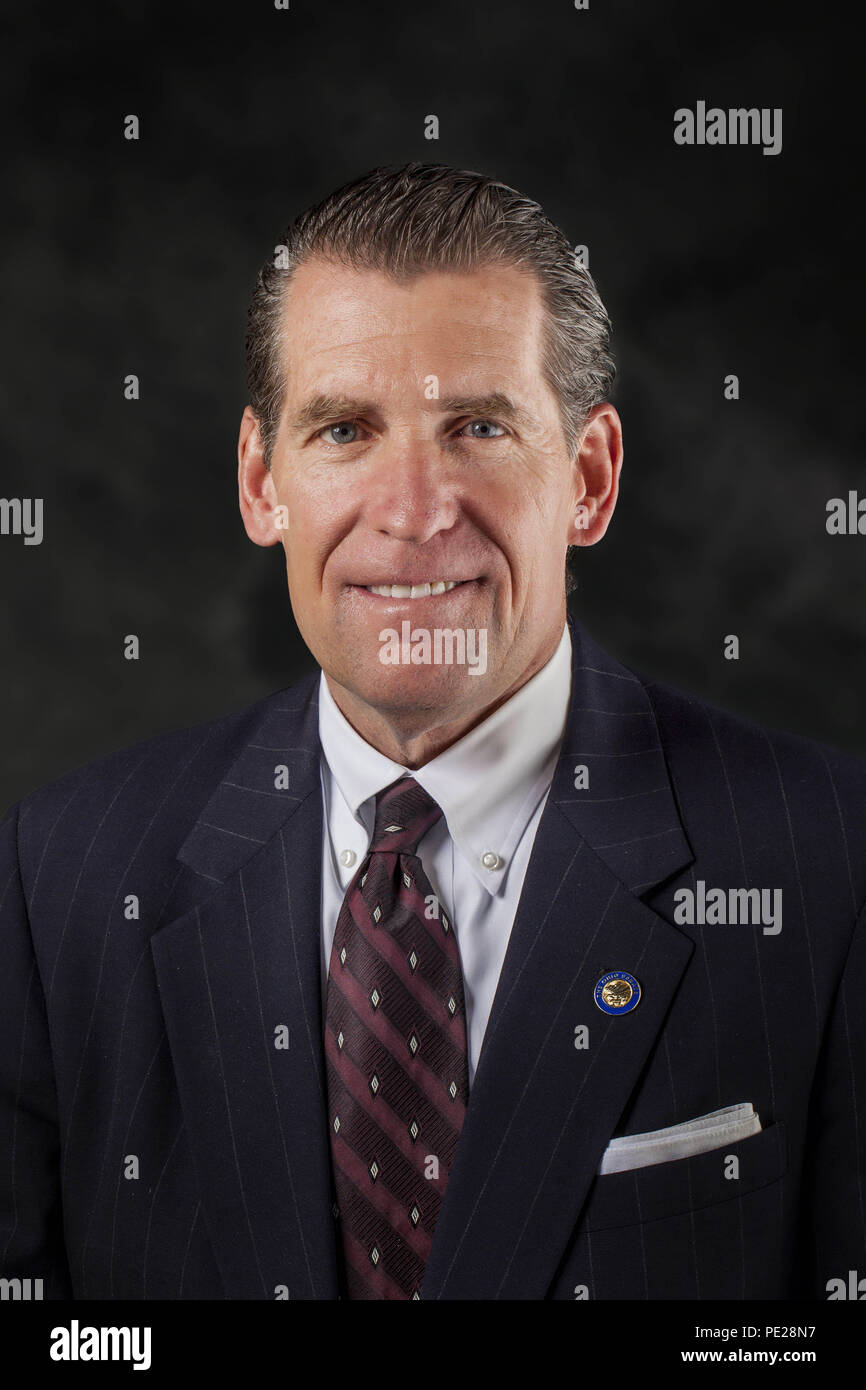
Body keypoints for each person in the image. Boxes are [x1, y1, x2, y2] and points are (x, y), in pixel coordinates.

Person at [1, 163, 863, 1301]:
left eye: (476, 426)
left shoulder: (828, 864)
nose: (413, 510)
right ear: (264, 482)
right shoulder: (59, 876)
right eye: (346, 429)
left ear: (589, 479)